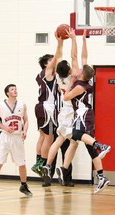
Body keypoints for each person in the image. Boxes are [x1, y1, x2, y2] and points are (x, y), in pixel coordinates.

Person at [55, 28, 111, 194]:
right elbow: (84, 58)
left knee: (78, 136)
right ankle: (100, 176)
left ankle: (100, 145)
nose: (77, 69)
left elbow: (66, 98)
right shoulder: (87, 78)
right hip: (84, 113)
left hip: (82, 114)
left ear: (81, 75)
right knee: (78, 142)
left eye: (79, 70)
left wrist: (66, 87)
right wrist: (83, 40)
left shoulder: (79, 85)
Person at [32, 32, 73, 186]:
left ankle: (38, 163)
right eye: (51, 61)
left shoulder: (42, 75)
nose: (54, 62)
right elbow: (58, 55)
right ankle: (43, 166)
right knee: (49, 138)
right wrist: (60, 42)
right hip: (48, 108)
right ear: (46, 64)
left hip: (42, 107)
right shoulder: (47, 72)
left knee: (42, 137)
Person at [0, 84, 32, 198]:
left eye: (16, 88)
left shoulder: (22, 104)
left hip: (17, 137)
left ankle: (24, 185)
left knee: (22, 163)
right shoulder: (1, 105)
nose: (15, 90)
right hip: (5, 137)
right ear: (7, 93)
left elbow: (26, 121)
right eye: (12, 89)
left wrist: (25, 131)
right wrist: (4, 127)